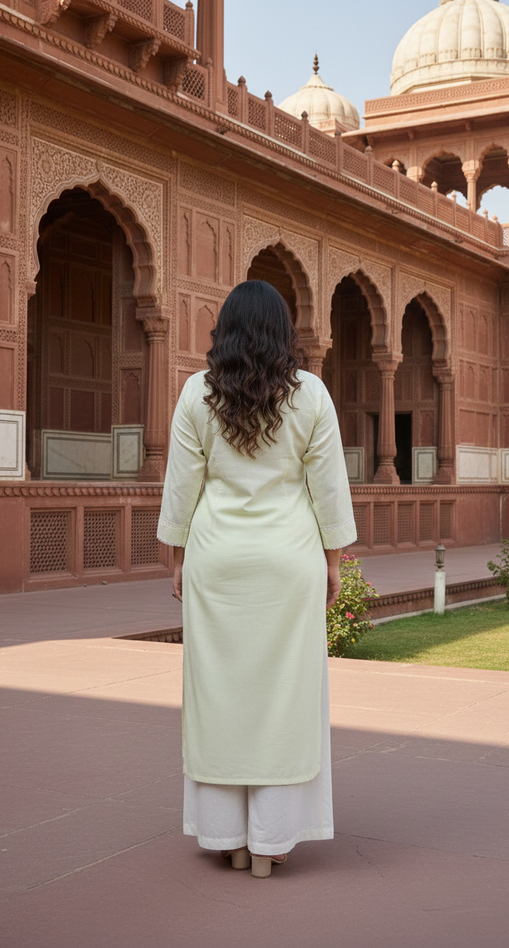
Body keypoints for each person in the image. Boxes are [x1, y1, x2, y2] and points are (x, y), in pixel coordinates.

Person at [157, 280, 356, 878]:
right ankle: (271, 841)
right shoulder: (311, 395)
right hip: (288, 560)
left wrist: (178, 563)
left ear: (225, 329)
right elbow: (327, 490)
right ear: (282, 332)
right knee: (284, 702)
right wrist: (333, 564)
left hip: (217, 560)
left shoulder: (197, 393)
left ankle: (227, 836)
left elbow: (181, 489)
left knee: (218, 699)